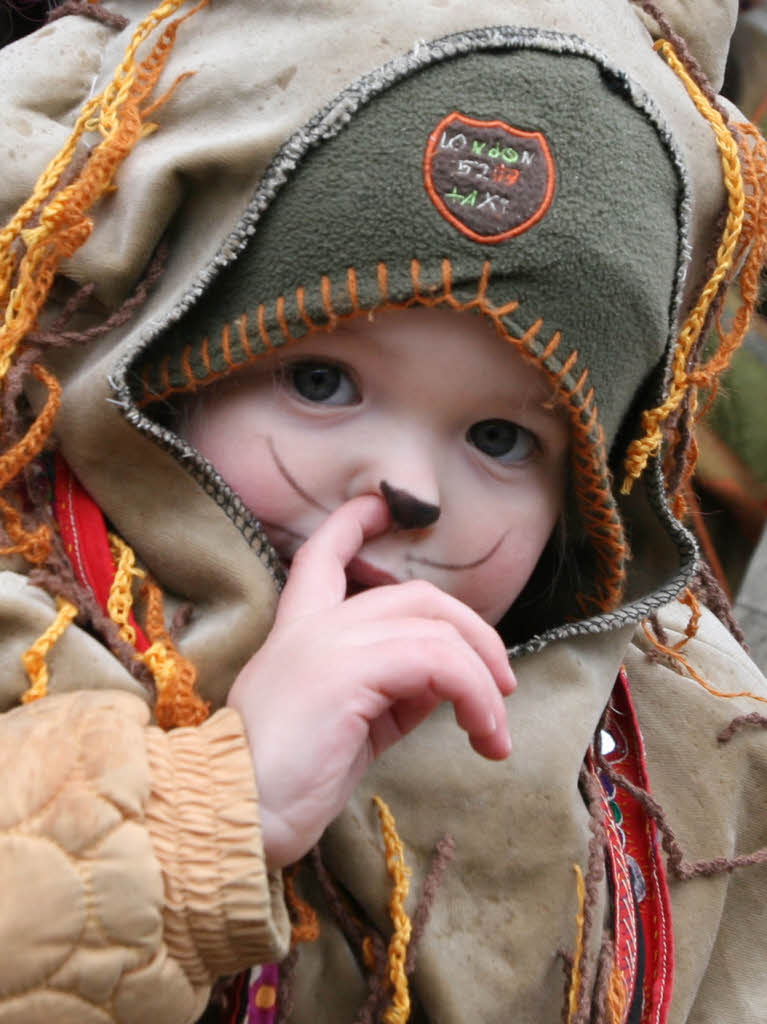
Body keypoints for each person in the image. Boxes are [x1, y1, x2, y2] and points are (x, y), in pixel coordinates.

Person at [1, 1, 767, 1023]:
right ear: (160, 361)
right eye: (319, 377)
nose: (407, 489)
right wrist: (216, 817)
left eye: (501, 439)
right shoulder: (30, 632)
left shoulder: (676, 771)